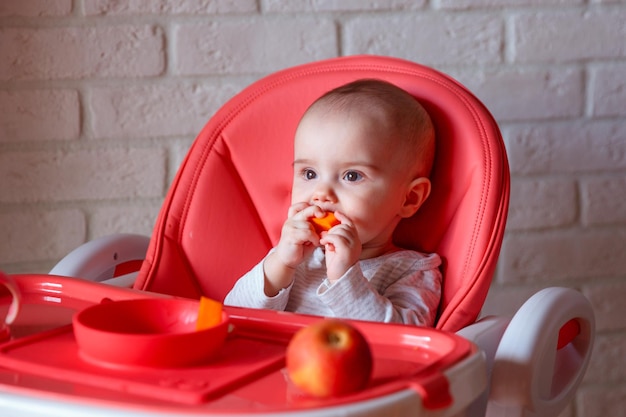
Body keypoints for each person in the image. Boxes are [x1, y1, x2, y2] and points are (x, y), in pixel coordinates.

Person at [224, 79, 441, 326]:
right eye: (309, 174)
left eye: (352, 176)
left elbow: (406, 343)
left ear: (410, 197)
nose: (321, 193)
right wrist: (279, 265)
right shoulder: (295, 256)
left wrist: (345, 279)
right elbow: (233, 316)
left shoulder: (412, 270)